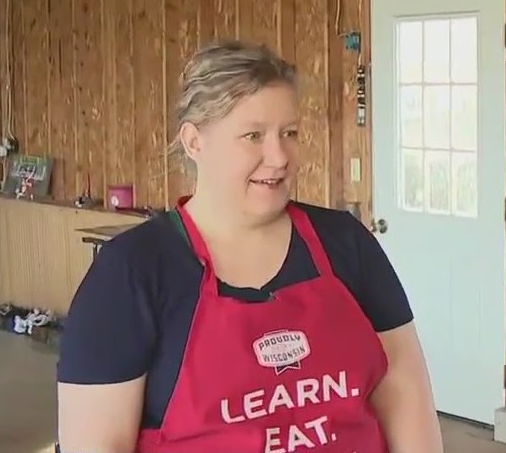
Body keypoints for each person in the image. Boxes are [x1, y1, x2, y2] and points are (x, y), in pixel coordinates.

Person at [56, 40, 444, 453]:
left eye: (289, 133)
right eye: (253, 135)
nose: (279, 157)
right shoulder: (132, 272)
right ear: (194, 141)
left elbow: (405, 392)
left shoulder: (346, 244)